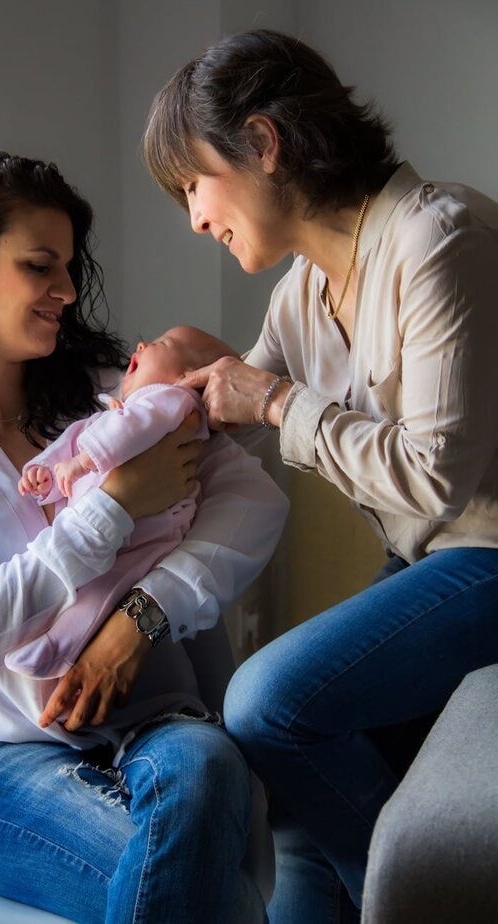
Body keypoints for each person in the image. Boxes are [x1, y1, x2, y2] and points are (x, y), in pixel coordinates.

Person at [143, 26, 498, 924]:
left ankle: (422, 904)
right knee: (293, 807)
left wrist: (267, 399)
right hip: (431, 564)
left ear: (262, 144)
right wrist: (136, 427)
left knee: (264, 701)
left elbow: (431, 481)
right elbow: (235, 424)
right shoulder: (304, 293)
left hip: (486, 552)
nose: (195, 218)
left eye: (195, 184)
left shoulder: (439, 239)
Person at [0, 147, 289, 923]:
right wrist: (112, 507)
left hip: (152, 724)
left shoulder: (118, 397)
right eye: (39, 266)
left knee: (209, 767)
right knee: (221, 894)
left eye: (69, 267)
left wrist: (139, 621)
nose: (67, 292)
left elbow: (253, 501)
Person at [7, 325, 239, 680]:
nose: (143, 343)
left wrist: (82, 462)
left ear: (188, 377)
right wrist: (51, 474)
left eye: (162, 343)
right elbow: (83, 437)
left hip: (149, 529)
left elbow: (130, 430)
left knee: (103, 592)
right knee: (95, 591)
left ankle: (59, 648)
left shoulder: (173, 401)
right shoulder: (127, 409)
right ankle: (56, 644)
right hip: (128, 523)